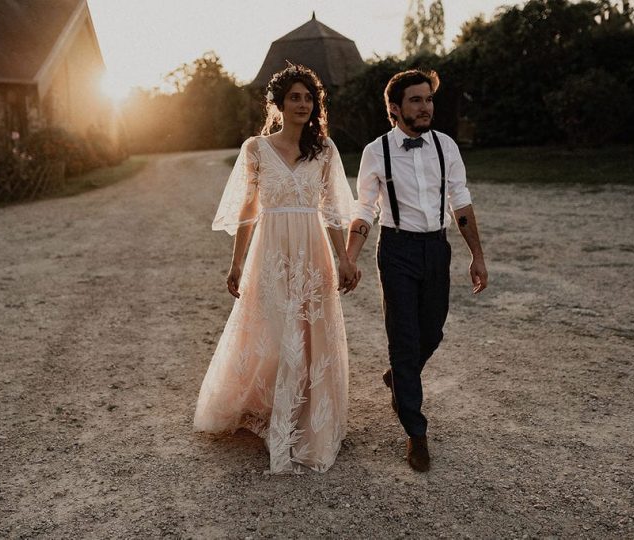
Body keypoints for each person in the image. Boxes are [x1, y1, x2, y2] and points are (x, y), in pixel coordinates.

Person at [194, 64, 358, 474]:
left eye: (309, 98)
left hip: (312, 250)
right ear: (279, 104)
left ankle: (303, 411)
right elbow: (248, 209)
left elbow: (335, 213)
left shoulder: (325, 151)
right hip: (270, 251)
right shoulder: (255, 148)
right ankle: (267, 405)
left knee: (307, 329)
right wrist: (236, 262)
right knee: (271, 327)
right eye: (295, 98)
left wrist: (344, 257)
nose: (303, 105)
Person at [346, 69, 488, 472]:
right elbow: (365, 206)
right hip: (396, 249)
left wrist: (477, 255)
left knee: (433, 331)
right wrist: (350, 254)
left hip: (435, 248)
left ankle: (400, 376)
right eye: (416, 100)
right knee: (404, 338)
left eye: (428, 99)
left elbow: (460, 202)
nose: (425, 107)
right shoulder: (377, 151)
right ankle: (416, 430)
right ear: (394, 108)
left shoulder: (445, 146)